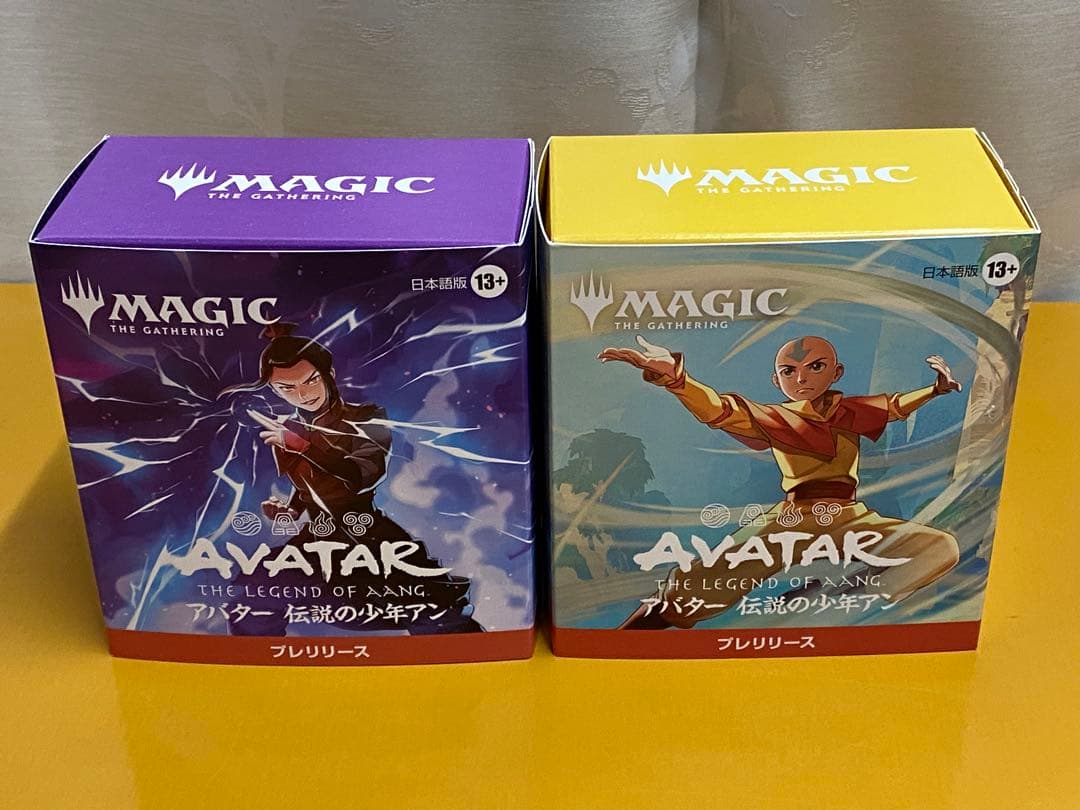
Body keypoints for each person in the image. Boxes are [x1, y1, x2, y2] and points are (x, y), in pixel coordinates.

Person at [598, 335, 962, 630]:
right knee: (698, 582)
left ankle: (821, 601)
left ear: (836, 372)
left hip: (850, 516)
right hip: (792, 518)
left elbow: (895, 406)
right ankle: (626, 639)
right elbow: (718, 409)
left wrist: (935, 390)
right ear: (777, 381)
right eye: (789, 371)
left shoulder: (851, 411)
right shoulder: (775, 417)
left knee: (938, 547)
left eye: (815, 367)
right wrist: (677, 379)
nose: (801, 378)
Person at [220, 323, 483, 635]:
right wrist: (290, 510)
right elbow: (309, 486)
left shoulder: (365, 417)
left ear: (328, 374)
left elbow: (362, 475)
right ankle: (262, 663)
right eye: (286, 388)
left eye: (311, 380)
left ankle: (466, 659)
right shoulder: (288, 429)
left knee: (438, 608)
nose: (303, 394)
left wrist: (304, 446)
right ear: (275, 390)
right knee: (253, 597)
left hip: (366, 533)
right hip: (318, 536)